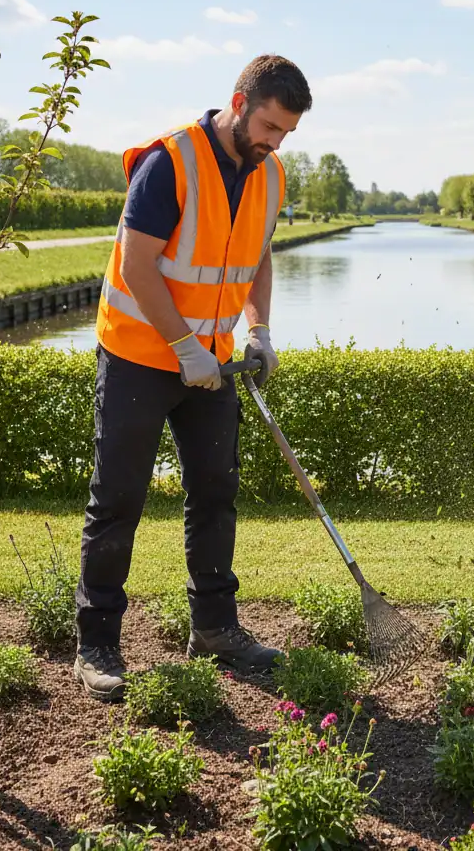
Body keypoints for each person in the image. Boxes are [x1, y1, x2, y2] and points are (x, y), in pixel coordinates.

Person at [74, 54, 313, 702]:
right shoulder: (169, 162)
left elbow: (261, 255)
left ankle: (214, 629)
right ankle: (96, 642)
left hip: (212, 362)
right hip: (139, 356)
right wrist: (182, 345)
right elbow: (139, 264)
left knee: (215, 491)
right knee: (118, 497)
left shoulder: (269, 175)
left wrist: (258, 330)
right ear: (239, 102)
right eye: (267, 125)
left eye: (285, 133)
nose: (274, 141)